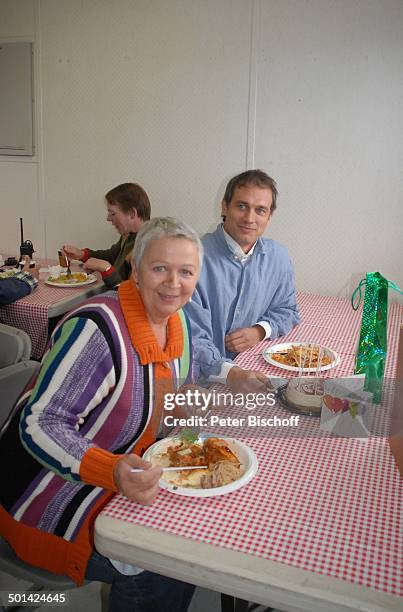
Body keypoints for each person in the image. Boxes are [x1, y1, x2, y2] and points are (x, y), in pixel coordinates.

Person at [0, 217, 203, 612]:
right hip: (46, 494)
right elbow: (39, 423)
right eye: (160, 268)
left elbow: (161, 399)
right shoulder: (96, 328)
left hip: (126, 471)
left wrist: (186, 404)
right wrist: (110, 470)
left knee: (195, 538)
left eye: (186, 272)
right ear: (136, 270)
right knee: (162, 564)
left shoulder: (177, 321)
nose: (173, 283)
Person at [184, 169, 300, 392]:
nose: (249, 218)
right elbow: (190, 338)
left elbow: (288, 310)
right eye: (241, 206)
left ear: (269, 216)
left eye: (260, 210)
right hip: (198, 382)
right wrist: (232, 373)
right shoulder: (192, 259)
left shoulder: (279, 257)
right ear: (224, 206)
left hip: (253, 367)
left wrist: (259, 330)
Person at [63, 182, 151, 288]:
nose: (108, 219)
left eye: (113, 213)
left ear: (132, 213)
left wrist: (106, 269)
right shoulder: (128, 235)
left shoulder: (150, 247)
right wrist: (82, 254)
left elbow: (133, 294)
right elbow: (112, 256)